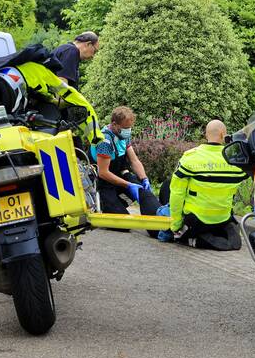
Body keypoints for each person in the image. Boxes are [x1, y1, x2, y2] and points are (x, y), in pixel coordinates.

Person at [159, 120, 246, 250]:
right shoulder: (235, 161)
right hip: (222, 218)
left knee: (162, 207)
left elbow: (177, 194)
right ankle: (226, 231)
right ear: (224, 135)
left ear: (206, 135)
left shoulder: (190, 157)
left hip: (196, 220)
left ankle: (195, 239)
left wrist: (176, 225)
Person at [91, 106, 160, 216]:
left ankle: (159, 216)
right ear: (114, 124)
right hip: (103, 183)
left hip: (119, 175)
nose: (128, 131)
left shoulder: (122, 135)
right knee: (122, 219)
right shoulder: (104, 141)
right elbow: (103, 173)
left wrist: (144, 178)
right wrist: (128, 185)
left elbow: (134, 160)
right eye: (125, 128)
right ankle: (107, 205)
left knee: (145, 194)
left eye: (129, 128)